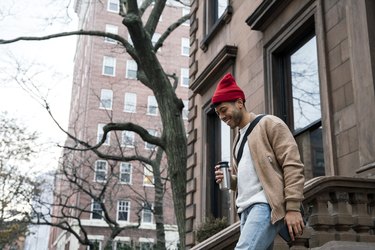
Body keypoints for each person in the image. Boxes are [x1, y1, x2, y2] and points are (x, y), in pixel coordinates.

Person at [213, 73, 305, 250]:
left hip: (265, 206)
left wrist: (293, 207)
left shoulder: (270, 124)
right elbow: (249, 179)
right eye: (218, 114)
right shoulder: (237, 141)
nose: (221, 117)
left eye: (224, 110)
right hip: (244, 210)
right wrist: (230, 180)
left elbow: (292, 165)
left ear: (239, 103)